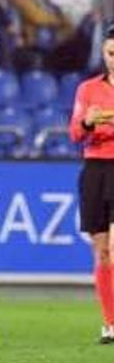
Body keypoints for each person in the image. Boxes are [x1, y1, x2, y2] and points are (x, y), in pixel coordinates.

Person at [69, 24, 114, 344]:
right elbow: (76, 133)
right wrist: (89, 121)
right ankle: (110, 323)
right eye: (110, 53)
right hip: (95, 170)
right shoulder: (88, 89)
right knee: (101, 253)